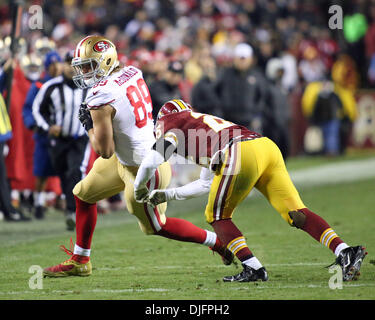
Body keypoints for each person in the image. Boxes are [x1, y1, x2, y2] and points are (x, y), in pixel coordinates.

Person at [43, 35, 233, 278]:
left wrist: (88, 125)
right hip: (131, 155)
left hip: (144, 169)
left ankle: (219, 242)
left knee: (156, 226)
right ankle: (80, 260)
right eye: (81, 66)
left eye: (89, 66)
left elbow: (104, 150)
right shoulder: (131, 71)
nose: (84, 73)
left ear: (106, 61)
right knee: (83, 194)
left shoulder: (101, 96)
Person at [133, 99, 367, 282]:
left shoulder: (172, 123)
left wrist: (139, 187)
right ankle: (345, 251)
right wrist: (165, 195)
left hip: (238, 153)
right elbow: (205, 184)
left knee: (216, 216)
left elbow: (153, 159)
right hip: (265, 147)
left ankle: (252, 267)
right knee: (296, 212)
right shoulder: (202, 125)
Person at [32, 51, 90, 230]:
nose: (70, 67)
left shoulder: (88, 86)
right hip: (58, 140)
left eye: (74, 64)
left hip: (79, 138)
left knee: (75, 171)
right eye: (67, 63)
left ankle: (73, 211)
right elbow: (37, 110)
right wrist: (49, 126)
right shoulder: (51, 87)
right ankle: (69, 208)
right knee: (63, 172)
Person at [23, 50, 63, 219]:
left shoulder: (66, 83)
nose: (55, 68)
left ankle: (67, 202)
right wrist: (32, 124)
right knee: (41, 171)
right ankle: (39, 203)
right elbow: (28, 107)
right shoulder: (39, 85)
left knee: (69, 169)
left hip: (64, 134)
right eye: (51, 65)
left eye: (57, 64)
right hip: (44, 134)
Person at [215, 42, 269, 133]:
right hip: (228, 122)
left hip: (249, 124)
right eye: (240, 58)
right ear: (234, 58)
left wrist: (257, 116)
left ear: (250, 59)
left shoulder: (257, 76)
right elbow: (214, 93)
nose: (242, 61)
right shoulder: (225, 74)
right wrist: (219, 114)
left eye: (244, 58)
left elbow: (263, 97)